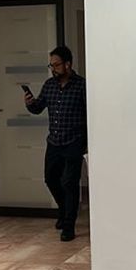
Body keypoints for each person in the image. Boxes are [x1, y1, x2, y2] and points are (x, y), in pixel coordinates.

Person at [24, 46, 87, 241]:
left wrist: (86, 142)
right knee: (50, 179)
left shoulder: (81, 85)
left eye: (56, 65)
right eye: (51, 65)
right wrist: (30, 103)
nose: (53, 69)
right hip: (54, 141)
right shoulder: (49, 85)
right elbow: (38, 108)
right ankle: (64, 210)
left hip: (74, 141)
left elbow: (90, 114)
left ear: (68, 64)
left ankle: (68, 225)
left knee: (69, 182)